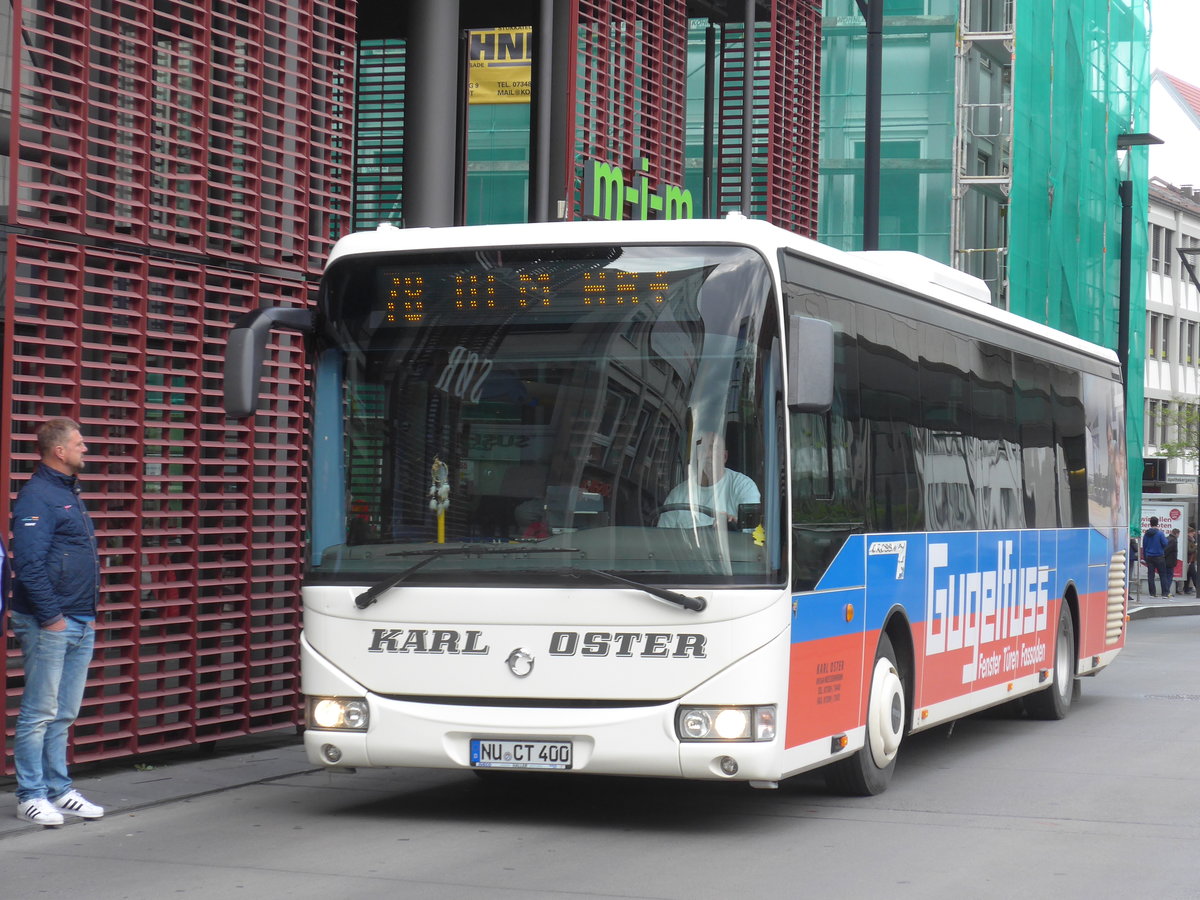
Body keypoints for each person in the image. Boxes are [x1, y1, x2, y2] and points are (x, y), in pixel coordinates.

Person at [8, 418, 104, 826]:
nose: (86, 449)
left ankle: (59, 789)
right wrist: (51, 618)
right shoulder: (37, 496)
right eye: (80, 444)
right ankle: (30, 794)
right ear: (59, 451)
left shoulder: (67, 493)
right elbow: (28, 563)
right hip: (52, 622)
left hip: (80, 619)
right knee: (39, 711)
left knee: (64, 713)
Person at [658, 430, 759, 528]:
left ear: (724, 456)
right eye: (703, 449)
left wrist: (734, 524)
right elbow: (662, 539)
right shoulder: (677, 495)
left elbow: (753, 533)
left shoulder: (744, 486)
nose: (708, 454)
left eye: (713, 448)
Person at [1141, 516, 1169, 598]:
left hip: (1149, 556)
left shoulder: (1146, 534)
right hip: (1159, 556)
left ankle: (1152, 593)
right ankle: (1165, 593)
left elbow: (1144, 546)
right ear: (1157, 523)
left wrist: (1145, 557)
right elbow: (1165, 543)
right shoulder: (1160, 533)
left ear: (1150, 523)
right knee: (1163, 575)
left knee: (1150, 575)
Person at [1164, 528, 1180, 597]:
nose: (1179, 535)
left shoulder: (1167, 538)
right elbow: (1167, 550)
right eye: (1178, 534)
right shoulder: (1173, 540)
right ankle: (1167, 591)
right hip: (1170, 561)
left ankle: (1166, 591)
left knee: (1166, 576)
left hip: (1166, 560)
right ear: (1176, 533)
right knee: (1169, 576)